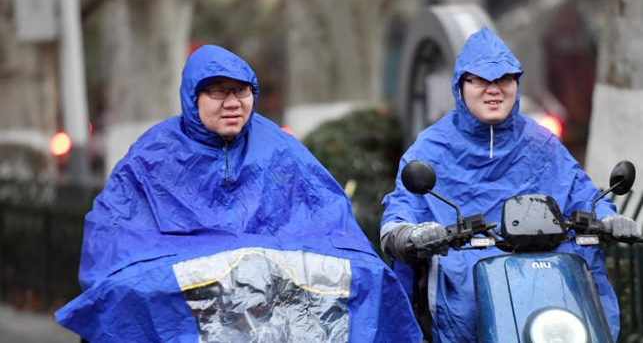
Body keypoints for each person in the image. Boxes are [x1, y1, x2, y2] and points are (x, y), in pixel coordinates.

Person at [56, 45, 421, 343]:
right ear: (192, 97)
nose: (232, 102)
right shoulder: (153, 152)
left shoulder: (280, 147)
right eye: (218, 91)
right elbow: (114, 235)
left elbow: (329, 220)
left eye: (241, 90)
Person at [380, 27, 640, 343]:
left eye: (504, 79)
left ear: (517, 83)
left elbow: (580, 193)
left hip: (551, 289)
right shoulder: (431, 147)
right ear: (460, 86)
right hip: (464, 297)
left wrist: (608, 219)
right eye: (480, 80)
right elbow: (402, 209)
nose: (494, 89)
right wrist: (408, 233)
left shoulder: (542, 143)